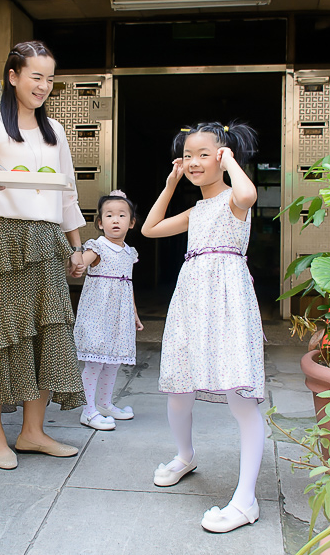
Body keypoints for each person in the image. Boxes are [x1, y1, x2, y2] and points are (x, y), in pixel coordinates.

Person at [0, 40, 88, 470]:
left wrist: (78, 246)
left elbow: (68, 194)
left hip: (46, 239)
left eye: (49, 78)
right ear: (13, 76)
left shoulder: (55, 131)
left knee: (47, 333)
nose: (43, 86)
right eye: (35, 76)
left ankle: (32, 432)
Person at [140, 121, 266, 533]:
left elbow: (248, 193)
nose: (193, 162)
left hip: (228, 301)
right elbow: (150, 229)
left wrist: (230, 162)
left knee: (239, 398)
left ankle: (245, 500)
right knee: (179, 388)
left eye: (202, 154)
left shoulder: (234, 199)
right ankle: (184, 455)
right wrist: (171, 183)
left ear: (223, 155)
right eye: (187, 155)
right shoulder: (197, 210)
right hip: (192, 299)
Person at [71, 191, 144, 431]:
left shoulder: (129, 253)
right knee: (95, 363)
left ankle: (103, 403)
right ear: (100, 223)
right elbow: (82, 260)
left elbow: (128, 284)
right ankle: (87, 409)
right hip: (98, 315)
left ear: (131, 222)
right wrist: (77, 260)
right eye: (109, 215)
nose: (115, 220)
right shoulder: (98, 247)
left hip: (120, 316)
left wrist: (133, 312)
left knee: (112, 362)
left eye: (122, 215)